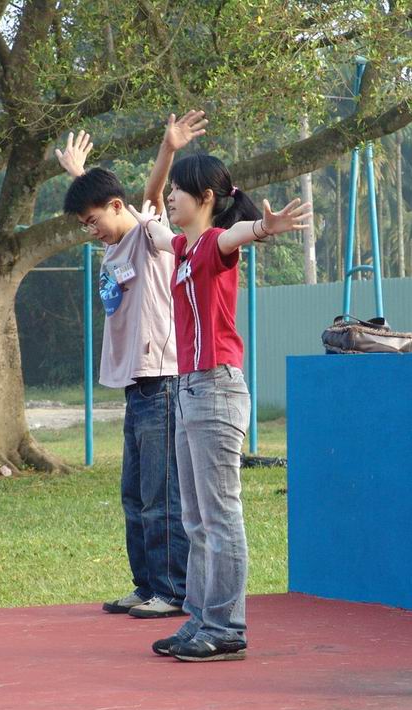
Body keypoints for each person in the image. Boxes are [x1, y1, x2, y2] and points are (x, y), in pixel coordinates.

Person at [127, 150, 310, 661]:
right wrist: (158, 160)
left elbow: (237, 236)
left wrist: (264, 227)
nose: (170, 198)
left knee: (220, 515)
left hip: (216, 389)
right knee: (195, 518)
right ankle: (200, 620)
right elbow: (152, 225)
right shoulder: (182, 248)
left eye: (178, 191)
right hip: (188, 389)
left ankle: (226, 628)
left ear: (206, 197)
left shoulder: (212, 244)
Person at [56, 111, 207, 619]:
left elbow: (151, 191)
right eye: (84, 224)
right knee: (134, 495)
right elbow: (104, 198)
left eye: (93, 221)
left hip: (161, 382)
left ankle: (173, 590)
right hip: (135, 387)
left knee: (161, 496)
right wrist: (80, 176)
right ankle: (146, 585)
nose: (91, 230)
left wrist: (168, 147)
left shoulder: (146, 231)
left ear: (118, 208)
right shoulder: (116, 239)